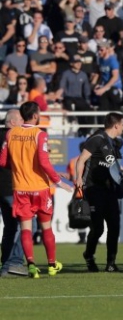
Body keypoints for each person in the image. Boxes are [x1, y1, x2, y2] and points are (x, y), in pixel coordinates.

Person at [0, 102, 71, 279]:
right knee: (45, 226)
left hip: (20, 189)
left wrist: (18, 167)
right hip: (39, 187)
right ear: (36, 115)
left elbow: (3, 162)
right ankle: (52, 264)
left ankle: (30, 265)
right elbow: (43, 162)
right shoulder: (40, 134)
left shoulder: (11, 134)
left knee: (23, 229)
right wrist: (58, 182)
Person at [75, 113, 123, 272]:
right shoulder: (96, 139)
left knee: (114, 226)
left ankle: (111, 263)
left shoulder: (114, 144)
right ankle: (89, 255)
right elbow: (81, 160)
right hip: (94, 189)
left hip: (110, 190)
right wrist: (78, 179)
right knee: (98, 228)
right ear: (117, 125)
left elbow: (118, 169)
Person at [0, 109, 27, 277]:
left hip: (4, 189)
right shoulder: (14, 137)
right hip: (12, 187)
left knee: (10, 227)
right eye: (20, 119)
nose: (23, 122)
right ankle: (14, 263)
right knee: (26, 225)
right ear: (12, 122)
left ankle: (6, 265)